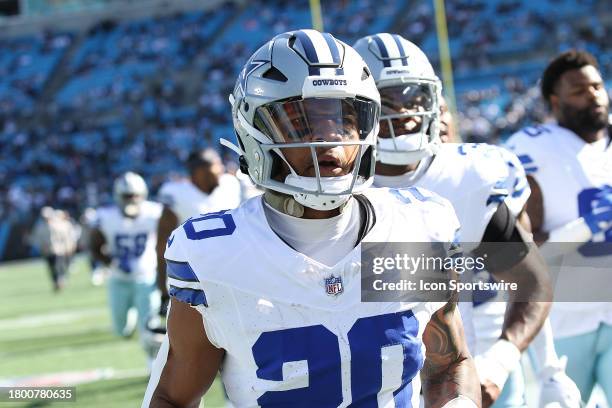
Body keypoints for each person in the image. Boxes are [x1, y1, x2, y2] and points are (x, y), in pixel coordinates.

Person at [143, 29, 480, 408]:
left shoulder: (413, 226)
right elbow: (174, 397)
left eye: (342, 120)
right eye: (301, 124)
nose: (328, 142)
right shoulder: (217, 257)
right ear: (253, 131)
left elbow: (449, 362)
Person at [354, 33, 558, 407]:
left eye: (414, 97)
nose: (405, 113)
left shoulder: (471, 176)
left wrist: (500, 362)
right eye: (388, 103)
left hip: (467, 375)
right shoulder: (335, 189)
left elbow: (532, 280)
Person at [506, 50, 612, 406]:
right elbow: (520, 250)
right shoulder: (533, 147)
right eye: (580, 91)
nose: (594, 95)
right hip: (563, 318)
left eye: (597, 86)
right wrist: (585, 227)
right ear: (556, 100)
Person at [89, 172, 163, 366]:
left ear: (143, 194)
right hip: (118, 278)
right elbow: (93, 245)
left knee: (149, 323)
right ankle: (129, 322)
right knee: (120, 329)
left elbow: (168, 238)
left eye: (135, 195)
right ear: (118, 196)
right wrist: (110, 261)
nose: (131, 199)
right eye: (127, 196)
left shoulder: (155, 212)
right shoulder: (105, 216)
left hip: (146, 276)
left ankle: (152, 362)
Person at [156, 148, 242, 311]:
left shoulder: (230, 185)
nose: (222, 169)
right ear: (200, 171)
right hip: (195, 280)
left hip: (233, 272)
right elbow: (162, 246)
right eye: (216, 164)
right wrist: (162, 288)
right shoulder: (177, 195)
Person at [29, 206, 78, 292]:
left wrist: (67, 246)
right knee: (51, 267)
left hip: (58, 249)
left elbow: (64, 236)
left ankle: (61, 279)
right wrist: (41, 247)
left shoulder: (57, 224)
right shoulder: (40, 227)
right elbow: (37, 239)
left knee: (59, 265)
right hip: (47, 251)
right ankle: (56, 282)